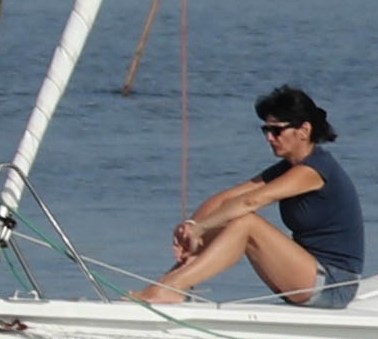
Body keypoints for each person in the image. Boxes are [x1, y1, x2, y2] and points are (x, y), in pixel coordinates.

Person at [132, 85, 364, 308]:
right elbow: (226, 199)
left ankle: (174, 286)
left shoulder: (314, 171)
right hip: (306, 274)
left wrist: (202, 228)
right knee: (232, 216)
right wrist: (192, 227)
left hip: (335, 284)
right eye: (266, 130)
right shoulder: (287, 168)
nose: (269, 138)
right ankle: (174, 283)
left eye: (276, 130)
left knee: (246, 223)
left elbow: (252, 201)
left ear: (304, 130)